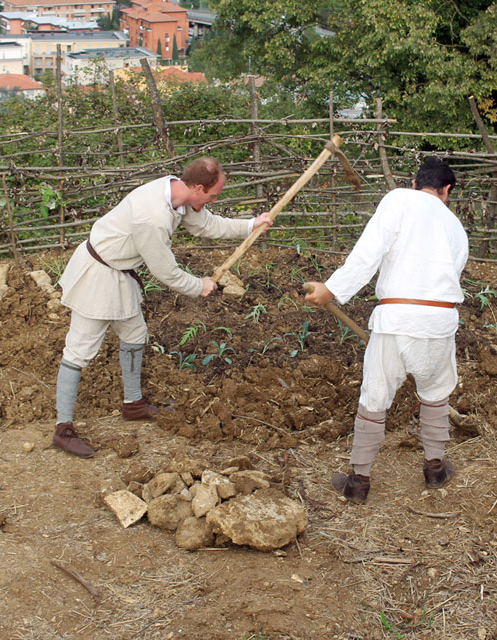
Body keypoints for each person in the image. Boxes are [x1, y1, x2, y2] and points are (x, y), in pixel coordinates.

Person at [52, 157, 273, 457]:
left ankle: (133, 404)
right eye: (212, 195)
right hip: (99, 275)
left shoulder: (177, 195)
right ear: (198, 188)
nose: (213, 200)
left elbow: (207, 224)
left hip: (120, 273)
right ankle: (63, 429)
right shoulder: (152, 217)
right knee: (79, 350)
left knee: (134, 334)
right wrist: (200, 285)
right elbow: (165, 272)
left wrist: (251, 225)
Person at [304, 156, 469, 503]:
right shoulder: (456, 227)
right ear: (447, 190)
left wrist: (331, 290)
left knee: (375, 398)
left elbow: (369, 251)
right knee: (436, 392)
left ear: (415, 183)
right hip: (439, 321)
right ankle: (435, 469)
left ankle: (359, 483)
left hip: (395, 320)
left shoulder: (399, 199)